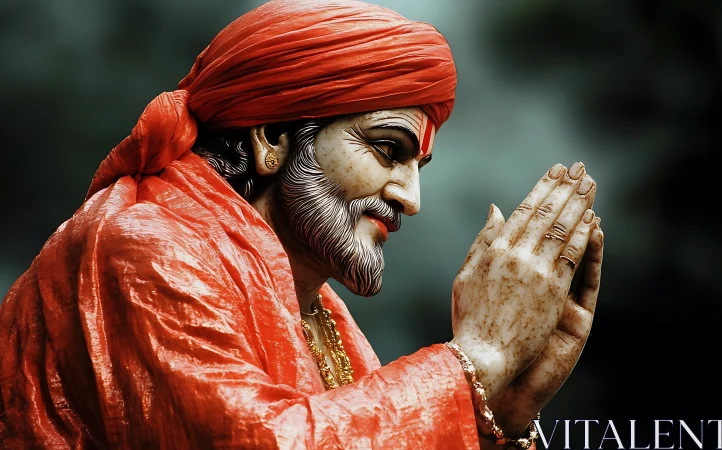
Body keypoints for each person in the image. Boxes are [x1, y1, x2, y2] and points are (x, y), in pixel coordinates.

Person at [0, 0, 604, 448]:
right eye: (387, 148)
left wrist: (502, 410)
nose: (411, 198)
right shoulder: (148, 247)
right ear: (271, 139)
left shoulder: (313, 307)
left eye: (417, 166)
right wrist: (479, 357)